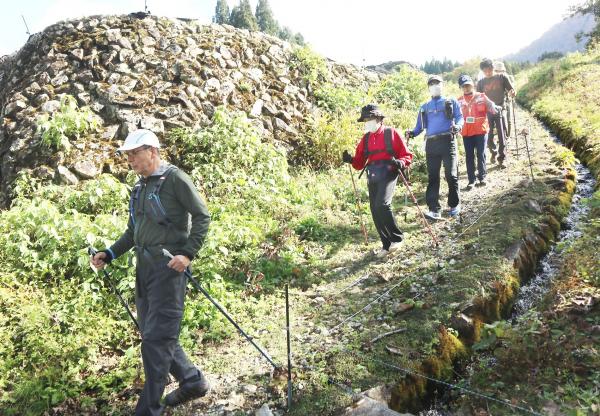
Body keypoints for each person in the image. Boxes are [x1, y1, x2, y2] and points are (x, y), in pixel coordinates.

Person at [91, 129, 211, 415]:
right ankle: (192, 381)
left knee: (156, 343)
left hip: (169, 270)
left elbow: (203, 216)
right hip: (144, 271)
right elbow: (133, 231)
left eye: (135, 153)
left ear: (153, 151)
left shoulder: (176, 180)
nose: (130, 159)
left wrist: (187, 253)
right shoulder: (140, 187)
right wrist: (109, 253)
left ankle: (148, 410)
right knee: (154, 334)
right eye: (128, 155)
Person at [342, 104, 413, 258]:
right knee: (375, 209)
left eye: (370, 118)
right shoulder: (366, 138)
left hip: (389, 172)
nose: (368, 122)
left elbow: (406, 155)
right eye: (365, 120)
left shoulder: (391, 133)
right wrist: (350, 159)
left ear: (379, 119)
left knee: (382, 204)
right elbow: (359, 163)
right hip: (372, 174)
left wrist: (401, 163)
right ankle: (386, 245)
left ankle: (397, 238)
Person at [406, 75, 464, 220]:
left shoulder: (451, 101)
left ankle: (454, 205)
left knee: (451, 175)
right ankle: (433, 209)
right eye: (431, 84)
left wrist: (458, 126)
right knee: (433, 177)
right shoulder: (424, 107)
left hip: (448, 141)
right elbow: (419, 127)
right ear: (428, 88)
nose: (434, 85)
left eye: (437, 83)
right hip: (431, 144)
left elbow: (460, 117)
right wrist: (412, 133)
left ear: (442, 85)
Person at [456, 74, 501, 189]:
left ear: (473, 85)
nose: (467, 88)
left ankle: (482, 177)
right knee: (469, 156)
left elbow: (491, 106)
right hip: (466, 133)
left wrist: (496, 108)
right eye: (464, 86)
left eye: (468, 85)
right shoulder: (458, 101)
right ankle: (471, 180)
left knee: (481, 154)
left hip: (481, 131)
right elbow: (453, 116)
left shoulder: (482, 96)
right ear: (461, 88)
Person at [476, 58, 516, 168]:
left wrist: (512, 92)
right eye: (485, 71)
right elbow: (478, 98)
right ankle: (493, 152)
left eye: (489, 69)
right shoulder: (480, 82)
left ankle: (501, 158)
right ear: (483, 71)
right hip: (487, 111)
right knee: (488, 135)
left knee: (502, 134)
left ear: (493, 68)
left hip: (500, 108)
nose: (488, 72)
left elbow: (511, 90)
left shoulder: (502, 77)